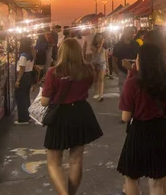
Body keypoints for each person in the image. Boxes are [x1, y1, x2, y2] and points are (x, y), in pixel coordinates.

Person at [117, 43, 166, 195]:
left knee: (132, 177)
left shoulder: (132, 83)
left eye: (138, 58)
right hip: (161, 133)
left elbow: (125, 117)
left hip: (139, 133)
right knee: (157, 181)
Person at [41, 39, 103, 195]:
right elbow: (89, 86)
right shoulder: (87, 70)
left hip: (60, 115)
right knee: (76, 160)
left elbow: (44, 101)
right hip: (81, 113)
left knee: (54, 162)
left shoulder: (54, 72)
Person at [112, 27, 140, 96]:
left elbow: (139, 56)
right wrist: (117, 71)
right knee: (124, 92)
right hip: (122, 71)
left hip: (134, 71)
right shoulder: (118, 45)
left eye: (133, 33)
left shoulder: (136, 44)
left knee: (134, 91)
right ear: (125, 33)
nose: (132, 35)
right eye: (130, 33)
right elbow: (114, 59)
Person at [14, 37, 35, 125]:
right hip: (29, 76)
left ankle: (23, 119)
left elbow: (22, 69)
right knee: (26, 97)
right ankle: (27, 116)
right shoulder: (31, 53)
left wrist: (18, 80)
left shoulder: (23, 55)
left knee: (20, 98)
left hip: (23, 76)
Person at [91, 33, 107, 101]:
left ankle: (101, 95)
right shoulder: (93, 46)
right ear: (95, 38)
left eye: (101, 37)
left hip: (102, 63)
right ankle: (96, 92)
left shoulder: (104, 45)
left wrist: (108, 66)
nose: (100, 39)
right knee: (95, 79)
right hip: (95, 63)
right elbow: (97, 52)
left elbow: (106, 55)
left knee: (101, 79)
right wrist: (101, 44)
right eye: (98, 37)